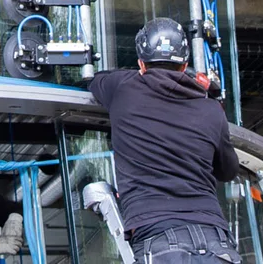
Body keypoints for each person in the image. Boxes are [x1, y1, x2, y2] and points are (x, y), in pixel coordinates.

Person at [89, 17, 241, 264]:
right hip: (216, 239)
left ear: (140, 63)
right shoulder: (211, 111)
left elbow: (97, 80)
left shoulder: (124, 90)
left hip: (157, 237)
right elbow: (228, 170)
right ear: (185, 65)